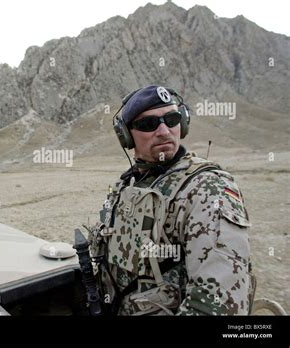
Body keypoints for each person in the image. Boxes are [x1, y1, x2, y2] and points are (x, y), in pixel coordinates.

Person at [88, 85, 254, 315]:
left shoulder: (207, 188)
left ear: (183, 124)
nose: (164, 131)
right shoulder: (129, 183)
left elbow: (217, 305)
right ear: (126, 136)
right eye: (148, 124)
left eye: (172, 119)